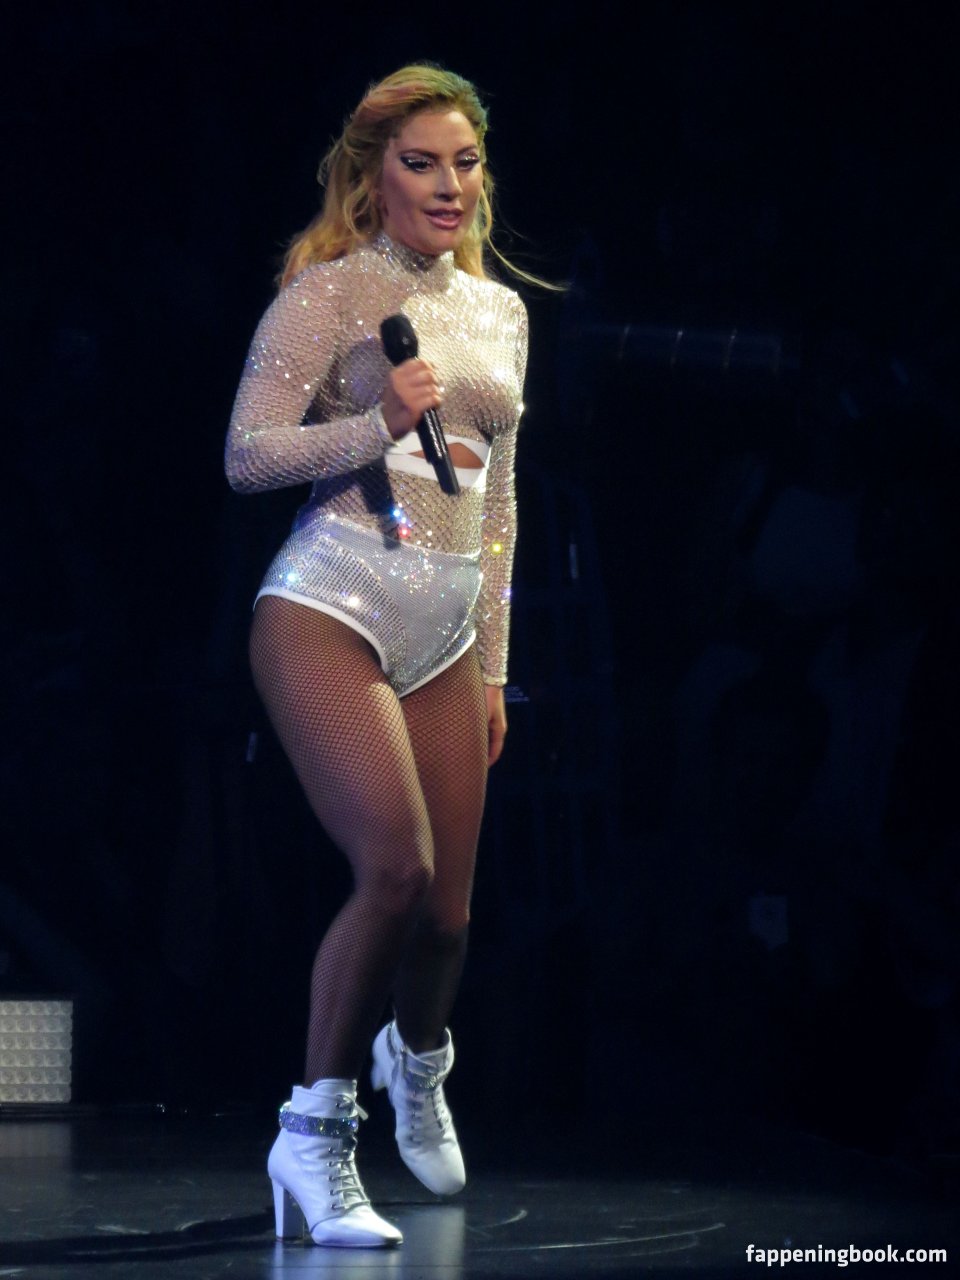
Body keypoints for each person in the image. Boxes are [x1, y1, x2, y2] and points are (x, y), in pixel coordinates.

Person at [224, 65, 530, 1248]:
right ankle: (312, 1134)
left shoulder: (501, 313)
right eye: (421, 163)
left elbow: (501, 502)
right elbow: (248, 455)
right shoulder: (330, 292)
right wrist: (376, 424)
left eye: (465, 162)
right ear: (374, 176)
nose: (448, 185)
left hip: (445, 628)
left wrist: (492, 664)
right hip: (330, 600)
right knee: (393, 870)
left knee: (446, 918)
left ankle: (419, 1058)